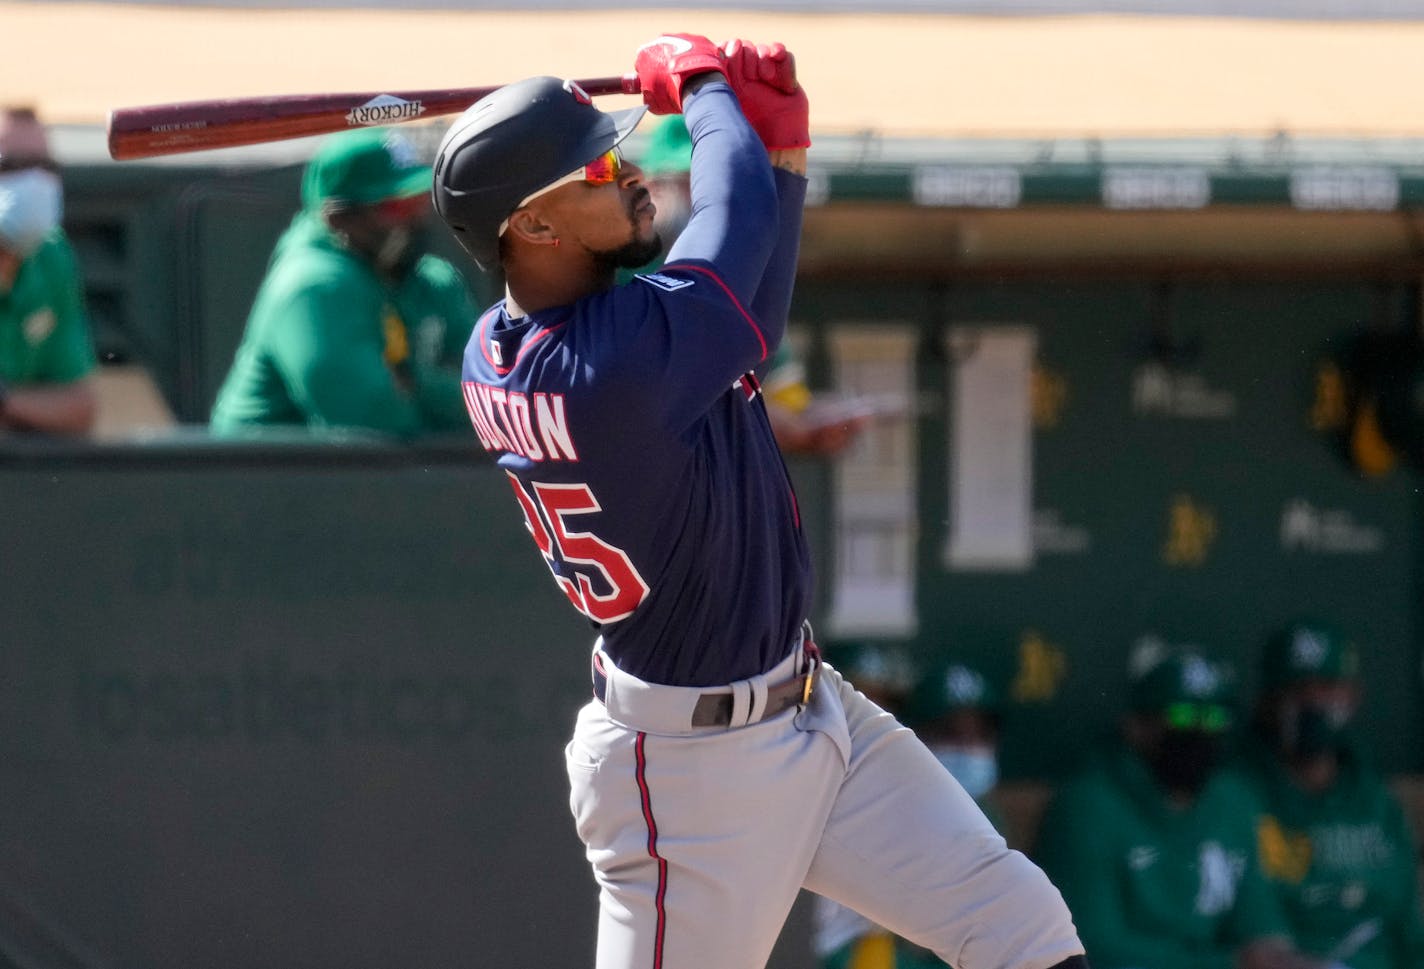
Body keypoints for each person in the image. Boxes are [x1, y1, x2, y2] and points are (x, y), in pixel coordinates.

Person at [431, 33, 1088, 969]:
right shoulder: (604, 366)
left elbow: (747, 317)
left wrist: (779, 157)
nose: (631, 173)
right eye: (601, 166)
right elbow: (730, 236)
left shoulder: (530, 338)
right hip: (690, 775)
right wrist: (705, 95)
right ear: (533, 229)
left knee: (1022, 929)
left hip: (811, 710)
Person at [1034, 646, 1333, 969]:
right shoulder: (1089, 806)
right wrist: (1229, 964)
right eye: (1182, 715)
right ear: (1137, 725)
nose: (1199, 731)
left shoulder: (1232, 800)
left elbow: (1260, 926)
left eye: (1213, 717)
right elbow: (1088, 948)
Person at [209, 126, 478, 438]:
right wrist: (447, 391)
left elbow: (496, 400)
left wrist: (414, 381)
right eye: (397, 207)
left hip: (379, 480)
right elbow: (372, 420)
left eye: (420, 201)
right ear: (337, 218)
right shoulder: (314, 285)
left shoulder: (434, 281)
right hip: (260, 480)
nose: (417, 219)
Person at [637, 114, 865, 455]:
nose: (708, 197)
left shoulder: (741, 278)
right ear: (651, 190)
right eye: (689, 181)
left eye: (715, 181)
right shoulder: (620, 275)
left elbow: (782, 398)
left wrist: (811, 422)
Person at [1228, 620, 1424, 969]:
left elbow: (1408, 929)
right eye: (1299, 689)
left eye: (1328, 687)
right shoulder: (1234, 796)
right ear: (1267, 700)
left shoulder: (1377, 802)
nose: (1314, 703)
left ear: (1353, 695)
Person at [0, 106, 98, 436]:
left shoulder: (51, 254)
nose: (35, 181)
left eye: (46, 166)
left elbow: (79, 406)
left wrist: (5, 402)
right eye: (11, 166)